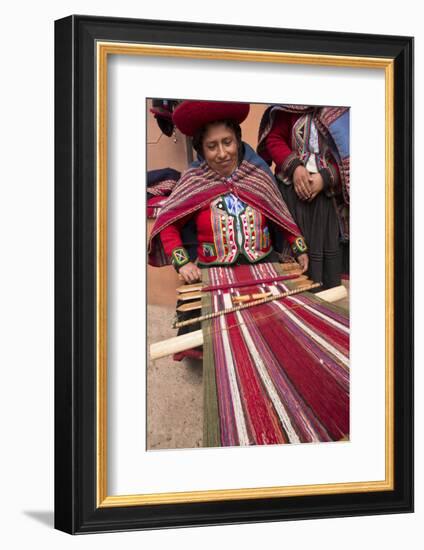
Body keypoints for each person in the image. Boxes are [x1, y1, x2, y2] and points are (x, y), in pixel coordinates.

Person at [148, 100, 309, 282]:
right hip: (213, 273)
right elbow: (169, 225)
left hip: (265, 268)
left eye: (227, 142)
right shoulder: (193, 180)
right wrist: (183, 262)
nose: (222, 153)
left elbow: (280, 214)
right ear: (201, 149)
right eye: (212, 146)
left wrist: (298, 247)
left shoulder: (257, 173)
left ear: (237, 141)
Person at [257, 104, 350, 290]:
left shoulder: (344, 114)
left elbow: (350, 156)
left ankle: (324, 311)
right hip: (291, 197)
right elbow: (274, 139)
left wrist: (325, 178)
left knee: (326, 272)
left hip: (327, 200)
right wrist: (295, 168)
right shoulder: (288, 109)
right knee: (293, 256)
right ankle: (296, 311)